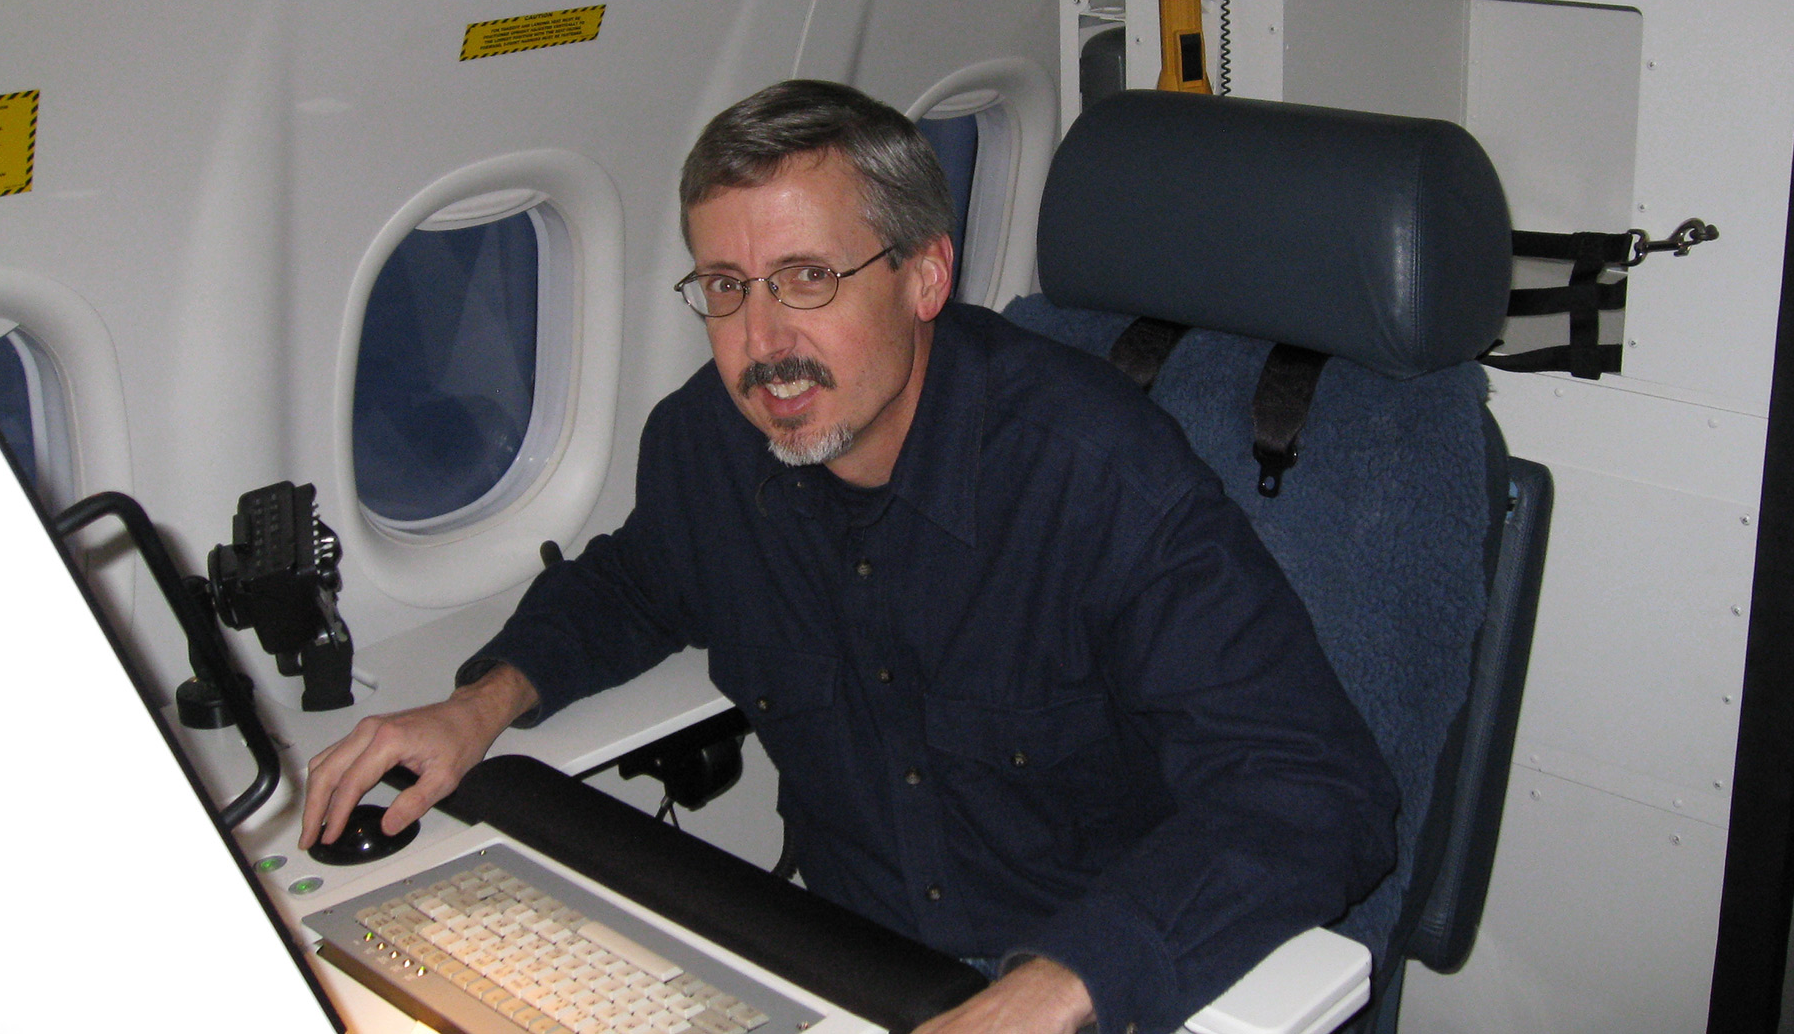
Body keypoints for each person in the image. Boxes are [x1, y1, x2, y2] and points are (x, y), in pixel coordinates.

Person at [303, 79, 1397, 1034]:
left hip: (1096, 977)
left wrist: (1061, 986)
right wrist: (480, 705)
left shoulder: (1092, 475)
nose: (761, 339)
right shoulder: (708, 445)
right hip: (847, 962)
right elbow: (635, 582)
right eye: (724, 287)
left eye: (806, 278)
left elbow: (1316, 792)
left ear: (924, 278)